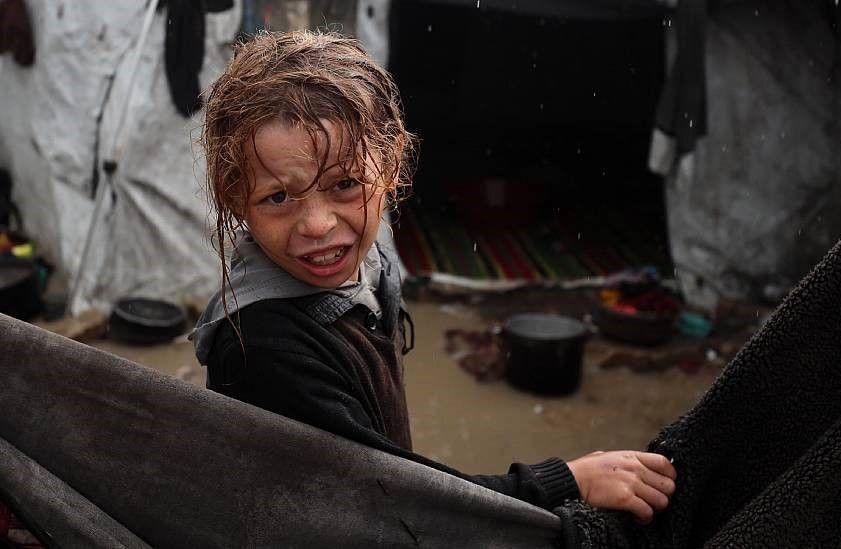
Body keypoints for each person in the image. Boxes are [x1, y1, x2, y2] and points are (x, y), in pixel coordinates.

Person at [190, 30, 676, 523]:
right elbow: (395, 507)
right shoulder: (264, 348)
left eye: (344, 184)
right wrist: (565, 483)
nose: (318, 224)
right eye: (278, 197)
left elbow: (381, 473)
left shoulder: (372, 257)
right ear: (235, 198)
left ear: (392, 162)